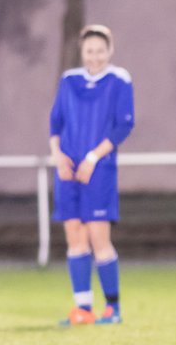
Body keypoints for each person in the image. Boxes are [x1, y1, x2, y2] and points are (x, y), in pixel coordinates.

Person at [50, 25, 135, 327]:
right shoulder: (69, 80)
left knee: (99, 237)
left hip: (99, 170)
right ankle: (83, 309)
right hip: (67, 171)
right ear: (82, 51)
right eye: (90, 50)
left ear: (109, 51)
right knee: (75, 236)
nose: (95, 56)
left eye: (100, 50)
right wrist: (58, 157)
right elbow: (55, 125)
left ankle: (112, 307)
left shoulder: (119, 80)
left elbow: (123, 126)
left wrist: (92, 157)